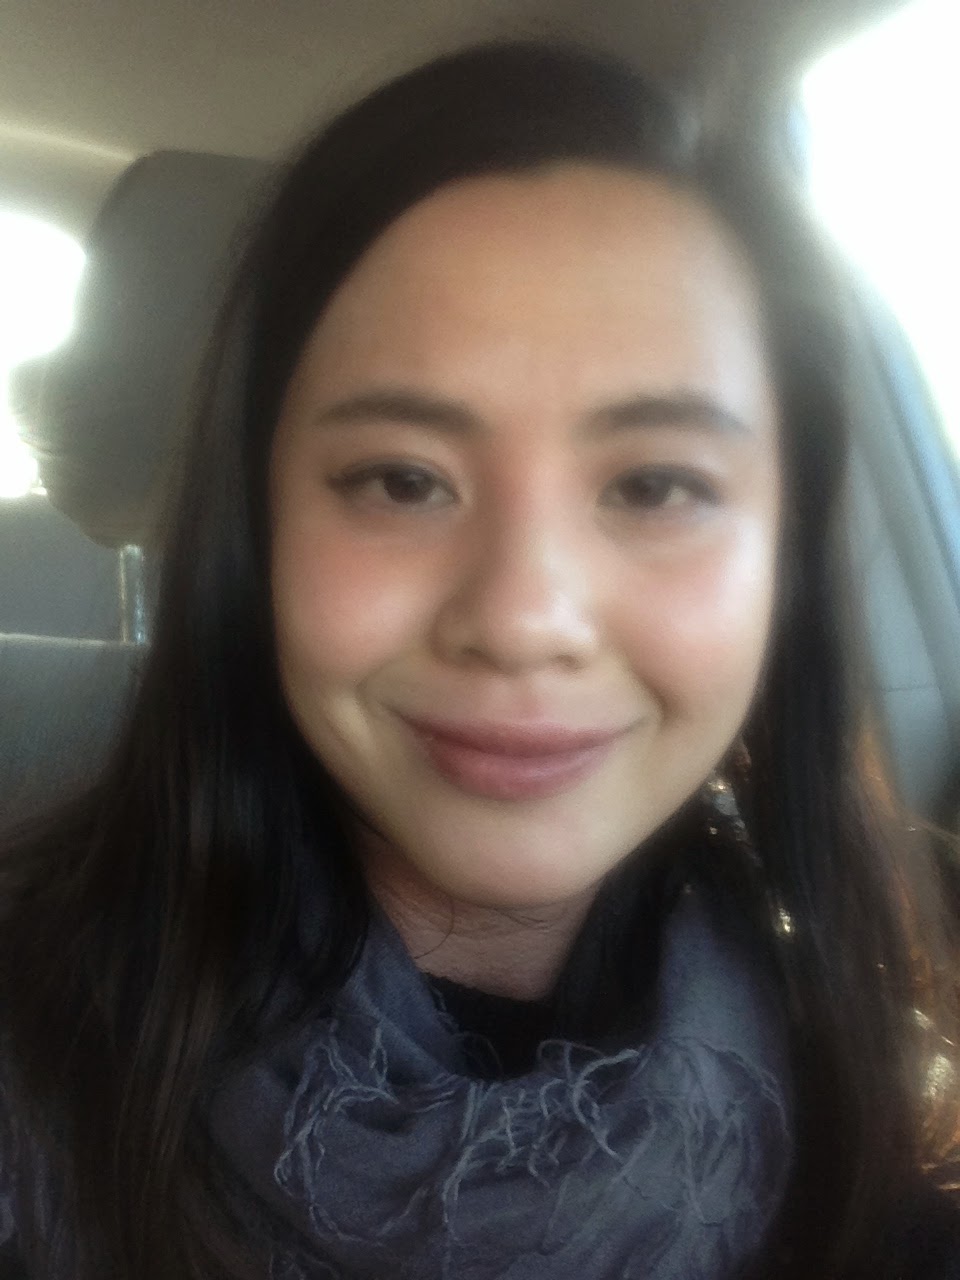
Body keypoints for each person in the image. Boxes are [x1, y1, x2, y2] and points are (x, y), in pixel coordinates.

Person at [0, 40, 958, 1280]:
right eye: (402, 480)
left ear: (784, 563)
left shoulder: (888, 1070)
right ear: (256, 530)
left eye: (656, 485)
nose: (520, 617)